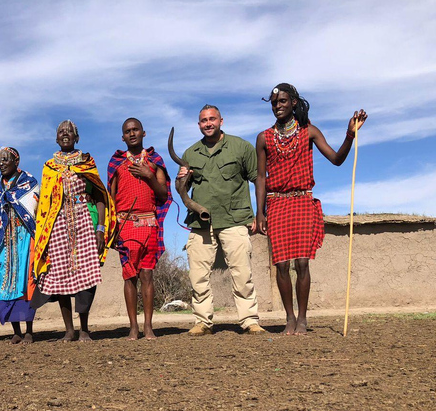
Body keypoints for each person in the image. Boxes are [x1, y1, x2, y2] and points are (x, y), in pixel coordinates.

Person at [256, 83, 367, 335]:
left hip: (302, 201)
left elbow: (337, 159)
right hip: (276, 203)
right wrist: (259, 212)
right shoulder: (264, 138)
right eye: (274, 103)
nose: (278, 106)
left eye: (283, 101)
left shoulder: (308, 132)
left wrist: (350, 134)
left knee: (302, 263)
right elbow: (261, 177)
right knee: (281, 264)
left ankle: (303, 319)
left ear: (294, 102)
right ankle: (289, 318)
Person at [176, 105, 266, 336]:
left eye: (212, 119)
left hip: (235, 219)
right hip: (201, 223)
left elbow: (257, 179)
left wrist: (258, 214)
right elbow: (182, 190)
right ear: (199, 125)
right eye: (204, 120)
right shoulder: (190, 153)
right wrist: (181, 181)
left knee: (242, 273)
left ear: (221, 121)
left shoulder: (241, 147)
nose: (208, 123)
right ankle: (202, 322)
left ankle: (249, 320)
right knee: (197, 275)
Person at [32, 120, 116, 341]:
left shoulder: (87, 162)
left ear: (77, 137)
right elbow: (45, 204)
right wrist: (45, 235)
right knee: (59, 275)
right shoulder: (49, 166)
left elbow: (100, 196)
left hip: (85, 221)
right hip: (58, 224)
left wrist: (100, 229)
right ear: (56, 138)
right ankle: (69, 330)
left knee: (87, 275)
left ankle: (85, 329)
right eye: (61, 131)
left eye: (70, 131)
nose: (65, 134)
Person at [108, 118, 172, 340]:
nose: (132, 133)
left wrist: (149, 175)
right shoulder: (116, 163)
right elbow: (111, 198)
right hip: (125, 225)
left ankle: (148, 326)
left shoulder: (154, 161)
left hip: (149, 224)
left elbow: (163, 194)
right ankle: (133, 327)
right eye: (128, 131)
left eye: (136, 130)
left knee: (147, 274)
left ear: (144, 133)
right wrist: (113, 227)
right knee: (129, 276)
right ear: (123, 137)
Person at [0, 147, 39, 344]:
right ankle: (16, 331)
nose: (2, 163)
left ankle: (29, 331)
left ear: (17, 161)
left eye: (6, 159)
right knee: (6, 284)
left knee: (26, 283)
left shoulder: (29, 182)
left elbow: (33, 210)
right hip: (4, 241)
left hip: (24, 239)